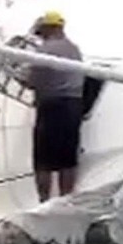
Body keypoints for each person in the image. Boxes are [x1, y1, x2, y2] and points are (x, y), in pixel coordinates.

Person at [27, 11, 85, 202]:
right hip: (74, 106)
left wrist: (23, 76)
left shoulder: (44, 51)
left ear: (48, 28)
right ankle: (65, 200)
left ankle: (44, 202)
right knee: (67, 159)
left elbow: (32, 81)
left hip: (52, 106)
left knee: (42, 161)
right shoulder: (75, 49)